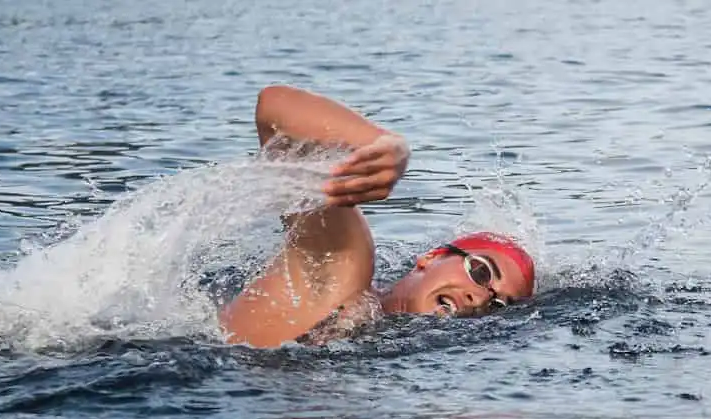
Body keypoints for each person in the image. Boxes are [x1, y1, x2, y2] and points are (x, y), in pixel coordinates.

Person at [218, 85, 537, 348]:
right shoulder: (342, 271)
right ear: (431, 257)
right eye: (480, 272)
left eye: (498, 305)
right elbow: (273, 106)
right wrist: (384, 144)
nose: (478, 298)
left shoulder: (383, 332)